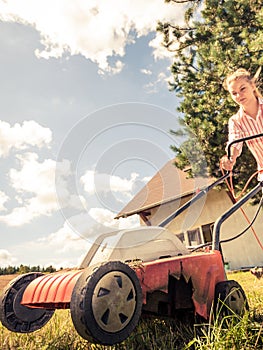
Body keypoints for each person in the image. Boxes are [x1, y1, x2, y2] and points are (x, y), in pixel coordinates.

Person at [220, 68, 263, 181]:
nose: (239, 96)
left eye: (242, 89)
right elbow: (235, 142)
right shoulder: (236, 121)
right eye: (234, 93)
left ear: (252, 86)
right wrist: (231, 158)